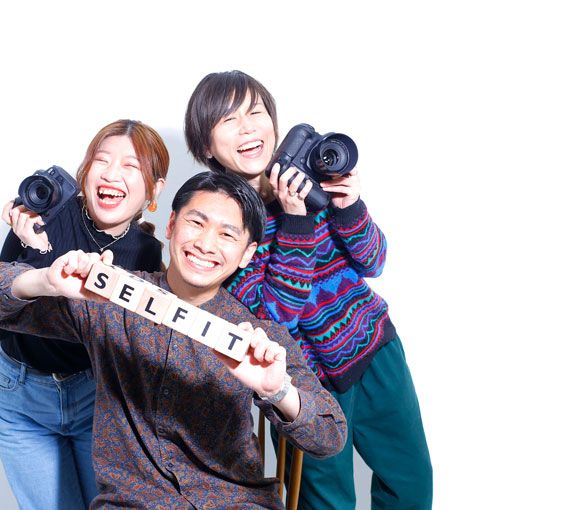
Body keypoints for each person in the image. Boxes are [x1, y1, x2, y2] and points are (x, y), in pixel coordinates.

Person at [0, 171, 348, 509]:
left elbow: (330, 435)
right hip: (132, 502)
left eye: (227, 234)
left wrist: (278, 391)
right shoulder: (107, 299)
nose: (206, 244)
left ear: (247, 253)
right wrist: (45, 281)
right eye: (196, 223)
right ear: (170, 225)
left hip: (236, 502)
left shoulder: (257, 336)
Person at [184, 70, 433, 509]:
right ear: (206, 145)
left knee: (410, 482)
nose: (247, 128)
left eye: (255, 113)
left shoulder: (309, 175)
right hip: (302, 387)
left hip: (374, 349)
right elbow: (276, 317)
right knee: (324, 503)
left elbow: (373, 261)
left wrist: (349, 206)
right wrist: (296, 222)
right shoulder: (223, 218)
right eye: (229, 120)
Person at [0, 119, 168, 509]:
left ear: (154, 188)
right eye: (102, 160)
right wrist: (35, 252)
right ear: (86, 170)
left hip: (94, 398)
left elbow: (125, 346)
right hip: (21, 395)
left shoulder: (147, 253)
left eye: (131, 166)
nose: (112, 173)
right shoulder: (46, 215)